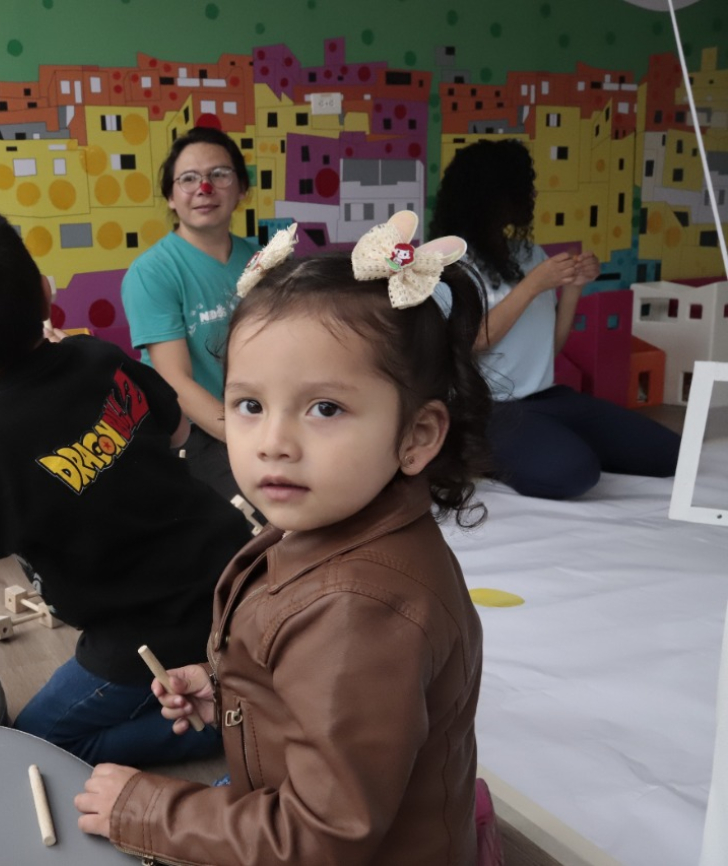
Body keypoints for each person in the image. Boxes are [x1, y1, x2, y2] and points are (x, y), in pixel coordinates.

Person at [75, 213, 490, 865]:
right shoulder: (327, 524)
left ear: (416, 436)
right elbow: (314, 689)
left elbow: (321, 836)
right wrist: (233, 693)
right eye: (249, 405)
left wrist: (147, 810)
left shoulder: (362, 608)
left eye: (324, 408)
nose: (273, 442)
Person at [0, 203, 253, 766]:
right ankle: (229, 690)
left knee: (37, 741)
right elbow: (176, 429)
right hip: (230, 574)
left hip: (141, 635)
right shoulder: (96, 354)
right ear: (46, 293)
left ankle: (225, 725)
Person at [430, 139, 680, 499]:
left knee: (669, 456)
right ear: (492, 195)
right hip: (489, 406)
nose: (532, 195)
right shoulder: (447, 264)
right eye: (523, 187)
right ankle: (479, 452)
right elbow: (472, 343)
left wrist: (575, 286)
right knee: (574, 475)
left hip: (547, 397)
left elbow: (552, 346)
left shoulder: (530, 254)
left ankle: (545, 440)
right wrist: (533, 285)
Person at [121, 126, 259, 504]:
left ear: (241, 188)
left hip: (263, 421)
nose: (205, 188)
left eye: (219, 174)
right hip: (197, 434)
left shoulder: (264, 261)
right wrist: (247, 437)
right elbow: (174, 380)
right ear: (170, 196)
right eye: (188, 179)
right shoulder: (152, 273)